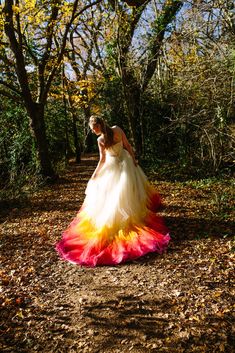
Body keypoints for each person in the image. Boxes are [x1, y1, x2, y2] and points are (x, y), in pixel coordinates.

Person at [56, 116, 170, 266]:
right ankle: (132, 215)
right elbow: (128, 146)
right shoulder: (117, 129)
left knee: (115, 194)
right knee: (129, 192)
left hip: (113, 166)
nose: (92, 132)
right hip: (126, 162)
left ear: (97, 127)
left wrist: (95, 174)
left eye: (92, 129)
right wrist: (134, 160)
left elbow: (102, 160)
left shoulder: (100, 140)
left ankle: (123, 219)